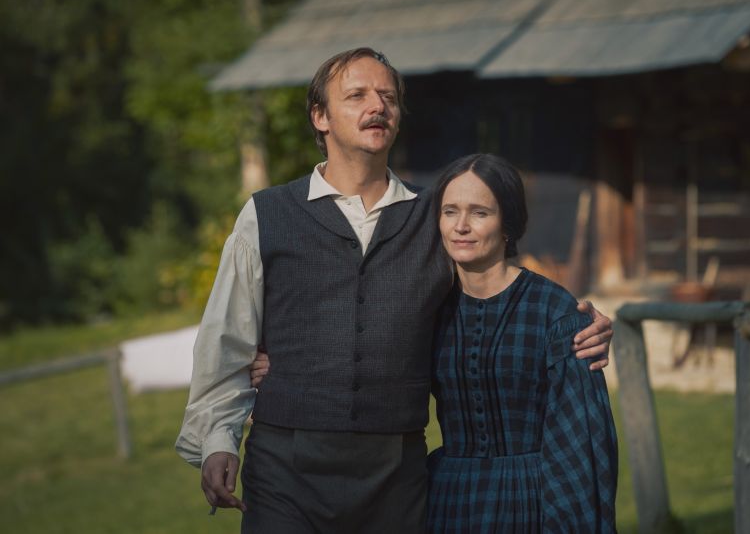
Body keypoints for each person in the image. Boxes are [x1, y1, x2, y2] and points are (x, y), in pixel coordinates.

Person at [177, 47, 613, 534]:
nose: (377, 106)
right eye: (357, 95)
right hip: (286, 466)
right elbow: (227, 338)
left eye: (388, 96)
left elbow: (494, 292)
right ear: (320, 117)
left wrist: (573, 324)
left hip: (396, 475)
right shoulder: (266, 214)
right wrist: (218, 438)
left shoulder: (435, 218)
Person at [427, 154, 617, 532]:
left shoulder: (555, 313)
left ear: (508, 224)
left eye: (479, 213)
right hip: (449, 503)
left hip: (530, 502)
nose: (461, 226)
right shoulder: (430, 309)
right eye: (450, 212)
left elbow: (579, 445)